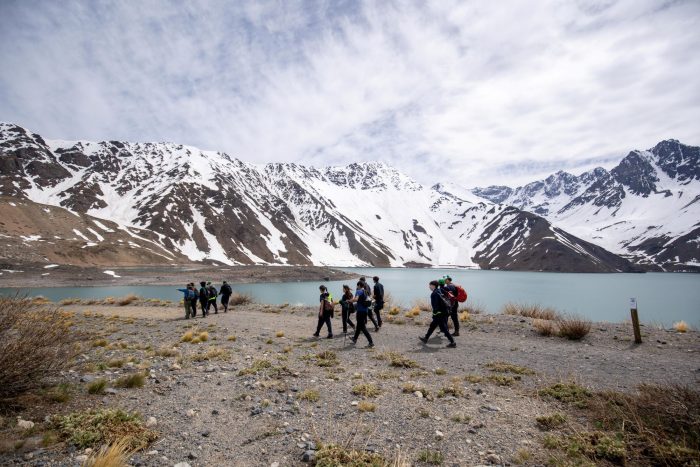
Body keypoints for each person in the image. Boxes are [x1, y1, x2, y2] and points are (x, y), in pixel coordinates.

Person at [419, 280, 456, 348]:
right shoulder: (439, 290)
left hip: (439, 314)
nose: (429, 287)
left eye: (430, 285)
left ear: (433, 286)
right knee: (432, 326)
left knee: (444, 328)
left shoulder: (434, 293)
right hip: (443, 312)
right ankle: (426, 338)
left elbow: (435, 305)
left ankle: (453, 342)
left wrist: (435, 314)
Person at [350, 281, 374, 348]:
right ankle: (354, 339)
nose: (357, 287)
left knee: (363, 327)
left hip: (360, 311)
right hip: (365, 311)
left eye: (357, 285)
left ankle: (371, 342)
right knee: (358, 326)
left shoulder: (359, 291)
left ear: (359, 285)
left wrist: (349, 301)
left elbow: (356, 299)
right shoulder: (365, 291)